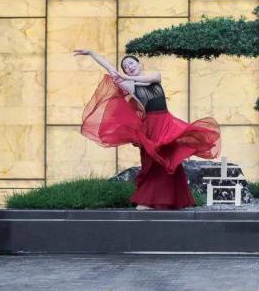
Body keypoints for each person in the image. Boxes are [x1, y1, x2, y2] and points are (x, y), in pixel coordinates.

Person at [74, 49, 220, 210]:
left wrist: (126, 77)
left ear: (139, 63)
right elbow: (110, 68)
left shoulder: (154, 76)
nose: (129, 67)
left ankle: (172, 200)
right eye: (125, 67)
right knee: (154, 162)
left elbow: (150, 78)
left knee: (170, 160)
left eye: (131, 63)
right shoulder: (129, 85)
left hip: (167, 122)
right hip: (151, 126)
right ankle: (148, 201)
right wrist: (92, 53)